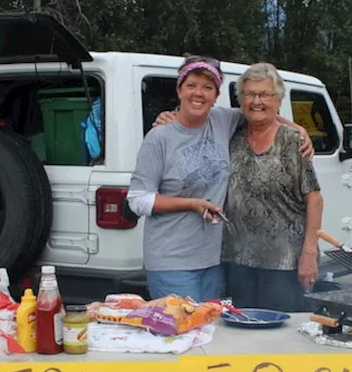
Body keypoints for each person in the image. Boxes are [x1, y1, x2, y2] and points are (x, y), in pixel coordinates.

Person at [127, 56, 313, 302]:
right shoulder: (159, 137)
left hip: (214, 261)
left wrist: (299, 130)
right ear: (179, 90)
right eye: (191, 85)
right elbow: (138, 200)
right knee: (184, 334)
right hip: (171, 261)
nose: (199, 93)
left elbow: (261, 112)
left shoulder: (223, 120)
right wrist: (191, 204)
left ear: (216, 95)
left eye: (208, 87)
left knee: (212, 334)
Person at [221, 63, 323, 312]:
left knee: (280, 339)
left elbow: (315, 199)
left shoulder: (292, 141)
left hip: (285, 263)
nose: (256, 101)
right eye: (249, 94)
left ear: (279, 99)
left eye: (265, 94)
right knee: (241, 334)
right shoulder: (231, 134)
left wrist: (309, 254)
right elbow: (194, 119)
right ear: (241, 99)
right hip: (237, 260)